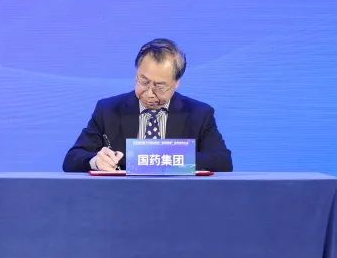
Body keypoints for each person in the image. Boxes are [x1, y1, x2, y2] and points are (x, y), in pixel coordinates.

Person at [62, 38, 232, 173]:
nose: (149, 93)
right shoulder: (108, 110)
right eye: (143, 81)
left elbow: (222, 162)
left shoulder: (199, 113)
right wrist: (95, 161)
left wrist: (159, 159)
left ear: (176, 83)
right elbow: (72, 159)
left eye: (160, 86)